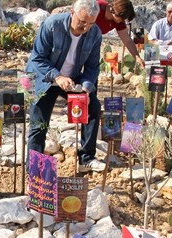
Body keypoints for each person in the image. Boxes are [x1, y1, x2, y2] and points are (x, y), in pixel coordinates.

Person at [25, 0, 105, 173]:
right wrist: (57, 76)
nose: (85, 28)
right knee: (38, 123)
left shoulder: (95, 33)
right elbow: (37, 58)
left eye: (90, 23)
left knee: (93, 108)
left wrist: (86, 85)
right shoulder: (51, 24)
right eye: (82, 22)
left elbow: (92, 67)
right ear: (72, 12)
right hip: (39, 77)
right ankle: (34, 170)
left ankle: (87, 159)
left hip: (70, 78)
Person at [53, 0, 144, 69]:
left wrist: (137, 57)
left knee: (92, 72)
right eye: (123, 18)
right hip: (75, 39)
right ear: (116, 12)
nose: (123, 21)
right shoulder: (97, 6)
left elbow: (127, 40)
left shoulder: (118, 21)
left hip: (92, 46)